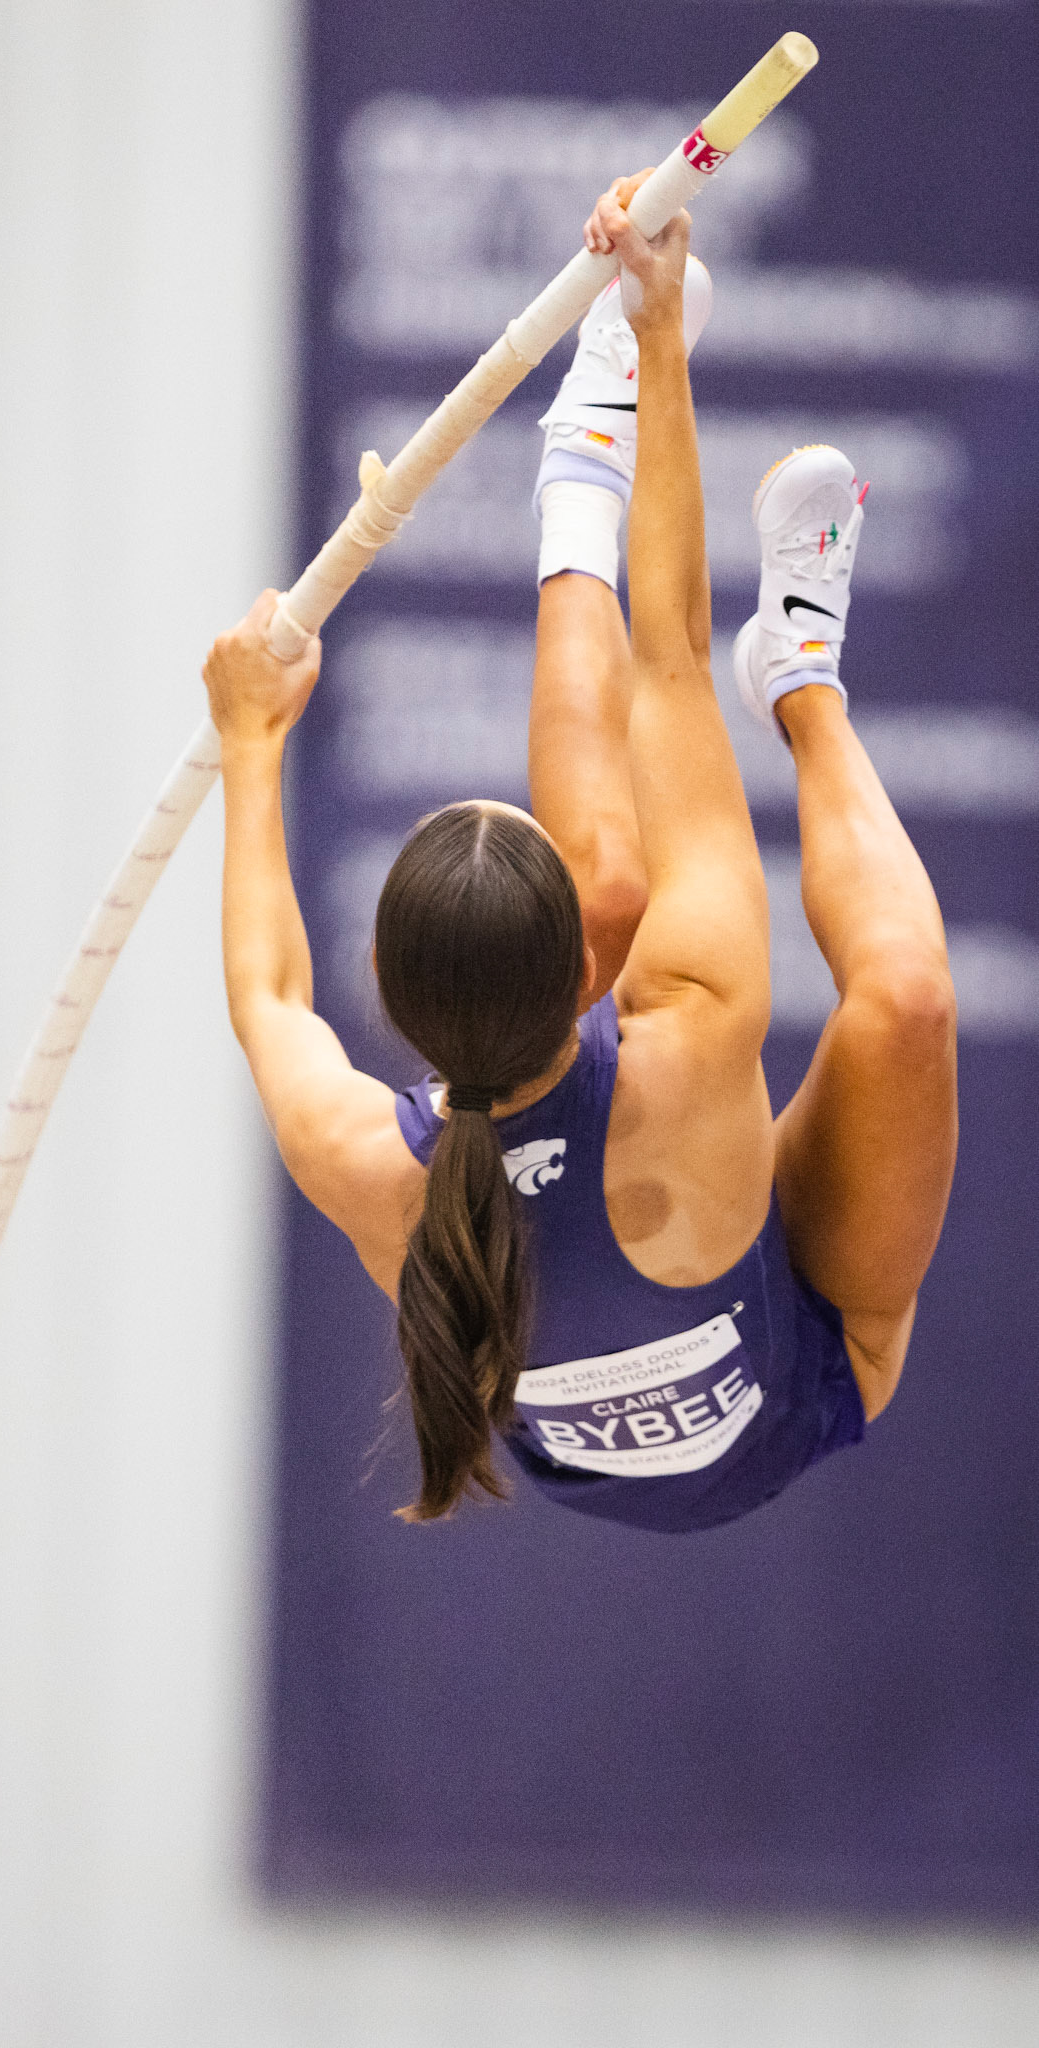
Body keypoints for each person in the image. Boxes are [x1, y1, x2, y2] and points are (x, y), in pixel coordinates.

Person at [202, 174, 957, 1534]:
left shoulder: (373, 1160)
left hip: (646, 1317)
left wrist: (250, 756)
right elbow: (665, 665)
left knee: (613, 863)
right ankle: (801, 680)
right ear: (592, 974)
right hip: (810, 1371)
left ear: (386, 982)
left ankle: (575, 459)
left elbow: (267, 1001)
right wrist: (657, 336)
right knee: (903, 993)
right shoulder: (686, 1022)